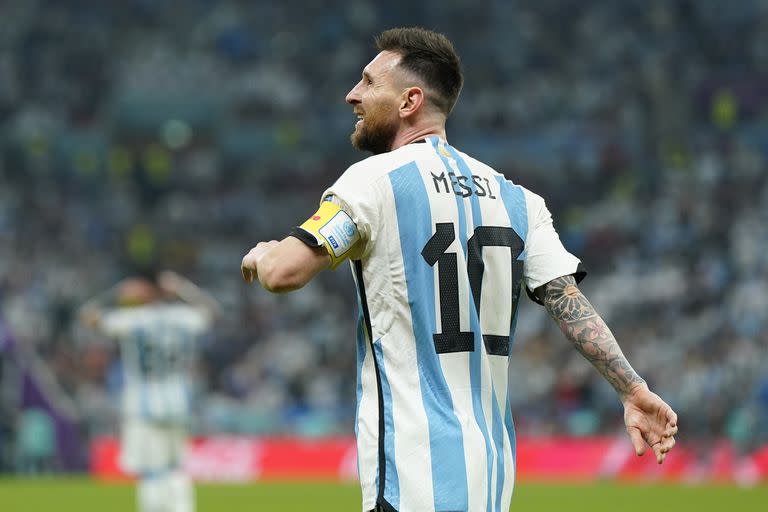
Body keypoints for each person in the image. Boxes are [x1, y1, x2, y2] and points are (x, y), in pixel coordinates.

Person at [241, 27, 678, 512]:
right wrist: (633, 389)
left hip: (411, 480)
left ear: (410, 101)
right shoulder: (519, 201)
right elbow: (568, 304)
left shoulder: (372, 181)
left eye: (368, 82)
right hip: (490, 480)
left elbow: (284, 273)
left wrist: (264, 252)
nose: (352, 94)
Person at [79, 270, 219, 512]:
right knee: (175, 467)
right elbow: (213, 312)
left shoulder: (132, 319)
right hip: (179, 402)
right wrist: (183, 288)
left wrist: (117, 292)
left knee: (151, 470)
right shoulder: (183, 316)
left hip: (143, 404)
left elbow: (88, 315)